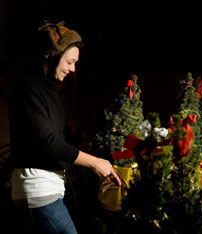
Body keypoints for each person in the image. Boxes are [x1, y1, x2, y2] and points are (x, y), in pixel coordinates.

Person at [7, 20, 121, 234]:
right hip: (37, 188)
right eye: (70, 61)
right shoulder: (27, 87)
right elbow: (49, 141)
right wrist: (94, 163)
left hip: (50, 188)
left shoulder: (51, 90)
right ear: (50, 54)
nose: (73, 69)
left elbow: (65, 137)